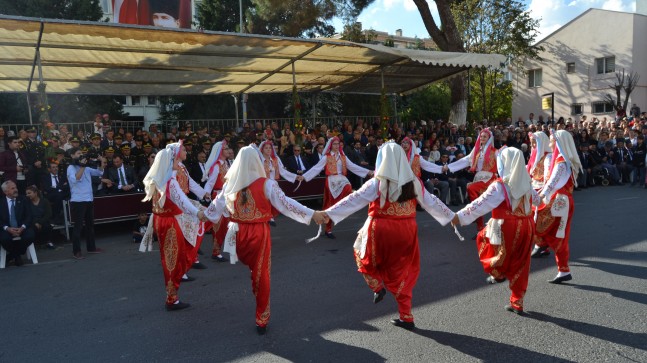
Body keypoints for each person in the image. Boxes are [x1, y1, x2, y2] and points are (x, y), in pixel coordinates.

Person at [321, 142, 455, 330]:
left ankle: (376, 286)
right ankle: (406, 315)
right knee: (402, 272)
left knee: (361, 253)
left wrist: (328, 213)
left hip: (382, 229)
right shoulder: (414, 182)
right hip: (407, 230)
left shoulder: (378, 182)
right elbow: (431, 201)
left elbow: (355, 199)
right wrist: (453, 217)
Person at [203, 146, 326, 335]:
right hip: (258, 233)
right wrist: (312, 214)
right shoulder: (266, 184)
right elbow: (286, 204)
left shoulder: (230, 184)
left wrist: (202, 215)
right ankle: (262, 317)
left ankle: (258, 298)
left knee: (255, 271)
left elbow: (215, 207)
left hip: (237, 233)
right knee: (262, 274)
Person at [451, 148, 538, 315]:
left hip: (505, 226)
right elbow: (537, 199)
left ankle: (498, 272)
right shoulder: (527, 183)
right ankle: (517, 301)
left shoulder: (500, 185)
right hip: (527, 225)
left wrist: (459, 217)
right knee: (522, 262)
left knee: (484, 240)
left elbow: (480, 204)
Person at [140, 141, 207, 311]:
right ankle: (171, 298)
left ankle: (174, 291)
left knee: (173, 257)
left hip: (163, 220)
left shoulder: (157, 178)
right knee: (171, 259)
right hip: (170, 221)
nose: (179, 163)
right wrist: (197, 213)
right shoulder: (169, 181)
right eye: (176, 160)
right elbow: (181, 200)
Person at [531, 130, 583, 283]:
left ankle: (562, 268)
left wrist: (541, 194)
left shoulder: (561, 161)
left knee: (557, 235)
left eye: (552, 140)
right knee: (545, 227)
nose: (550, 143)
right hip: (559, 200)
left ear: (560, 142)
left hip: (560, 202)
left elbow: (553, 180)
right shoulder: (559, 159)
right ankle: (546, 249)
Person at [302, 136, 373, 239]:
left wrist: (368, 172)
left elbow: (353, 166)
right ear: (330, 145)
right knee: (330, 206)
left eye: (338, 144)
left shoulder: (343, 156)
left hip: (342, 180)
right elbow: (316, 168)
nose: (336, 146)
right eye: (334, 144)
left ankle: (348, 202)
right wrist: (304, 176)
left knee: (347, 187)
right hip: (331, 181)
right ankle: (328, 229)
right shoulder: (326, 157)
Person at [447, 128, 498, 237]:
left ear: (489, 138)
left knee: (471, 188)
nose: (482, 138)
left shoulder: (495, 152)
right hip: (479, 178)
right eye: (481, 136)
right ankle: (480, 229)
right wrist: (449, 167)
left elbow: (503, 165)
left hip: (489, 179)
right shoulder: (477, 151)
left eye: (485, 136)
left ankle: (475, 214)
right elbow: (465, 161)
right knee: (476, 199)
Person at [67, 147, 106, 260]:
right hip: (78, 201)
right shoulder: (71, 168)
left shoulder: (86, 168)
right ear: (72, 156)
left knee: (90, 226)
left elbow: (99, 172)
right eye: (78, 153)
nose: (81, 155)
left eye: (82, 153)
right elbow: (76, 178)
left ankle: (91, 248)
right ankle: (76, 251)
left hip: (89, 199)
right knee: (78, 227)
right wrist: (83, 166)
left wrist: (100, 161)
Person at [258, 140, 301, 227]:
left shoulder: (275, 160)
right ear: (262, 150)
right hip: (262, 185)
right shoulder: (259, 161)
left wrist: (295, 176)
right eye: (266, 148)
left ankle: (270, 216)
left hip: (272, 184)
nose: (268, 150)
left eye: (270, 148)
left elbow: (283, 171)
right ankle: (268, 218)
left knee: (277, 199)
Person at [202, 141, 229, 261]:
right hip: (218, 197)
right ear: (220, 152)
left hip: (227, 197)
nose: (228, 150)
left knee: (227, 224)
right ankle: (216, 251)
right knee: (218, 224)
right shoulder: (217, 166)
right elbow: (211, 181)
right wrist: (206, 192)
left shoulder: (225, 164)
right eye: (226, 149)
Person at [0, 180, 35, 267]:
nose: (16, 190)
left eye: (15, 187)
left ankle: (13, 256)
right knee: (4, 239)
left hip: (22, 227)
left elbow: (29, 216)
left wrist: (22, 227)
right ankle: (17, 256)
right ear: (5, 192)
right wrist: (7, 228)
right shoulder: (1, 202)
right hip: (7, 228)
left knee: (30, 236)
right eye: (12, 188)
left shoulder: (24, 199)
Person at [25, 185, 55, 249]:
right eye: (27, 193)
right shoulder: (27, 203)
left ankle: (48, 242)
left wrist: (40, 222)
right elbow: (28, 215)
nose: (27, 195)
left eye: (29, 193)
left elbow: (48, 214)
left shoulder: (44, 201)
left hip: (43, 221)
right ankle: (35, 244)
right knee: (32, 228)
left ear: (35, 193)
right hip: (33, 222)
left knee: (47, 226)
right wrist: (35, 222)